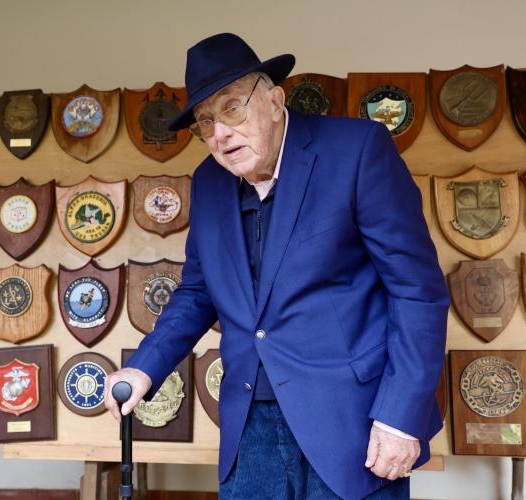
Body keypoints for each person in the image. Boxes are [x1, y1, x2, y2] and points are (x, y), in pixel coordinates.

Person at [104, 33, 449, 500]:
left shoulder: (357, 151)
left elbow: (416, 291)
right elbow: (199, 291)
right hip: (250, 426)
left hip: (354, 421)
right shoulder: (208, 182)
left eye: (232, 109)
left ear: (274, 101)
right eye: (205, 122)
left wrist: (400, 416)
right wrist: (144, 368)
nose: (220, 134)